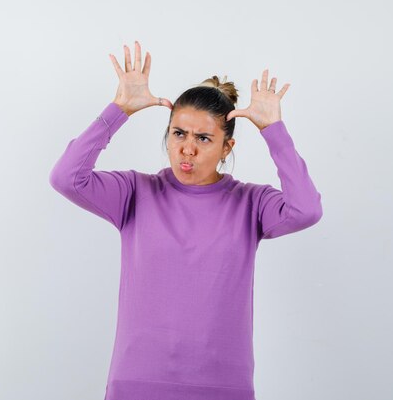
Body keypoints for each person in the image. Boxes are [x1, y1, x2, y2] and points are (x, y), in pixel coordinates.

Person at [49, 40, 322, 400]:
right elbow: (67, 178)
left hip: (222, 386)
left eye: (204, 138)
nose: (187, 149)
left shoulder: (250, 203)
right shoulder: (135, 192)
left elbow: (306, 210)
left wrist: (274, 132)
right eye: (179, 133)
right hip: (137, 382)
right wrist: (118, 110)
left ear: (227, 147)